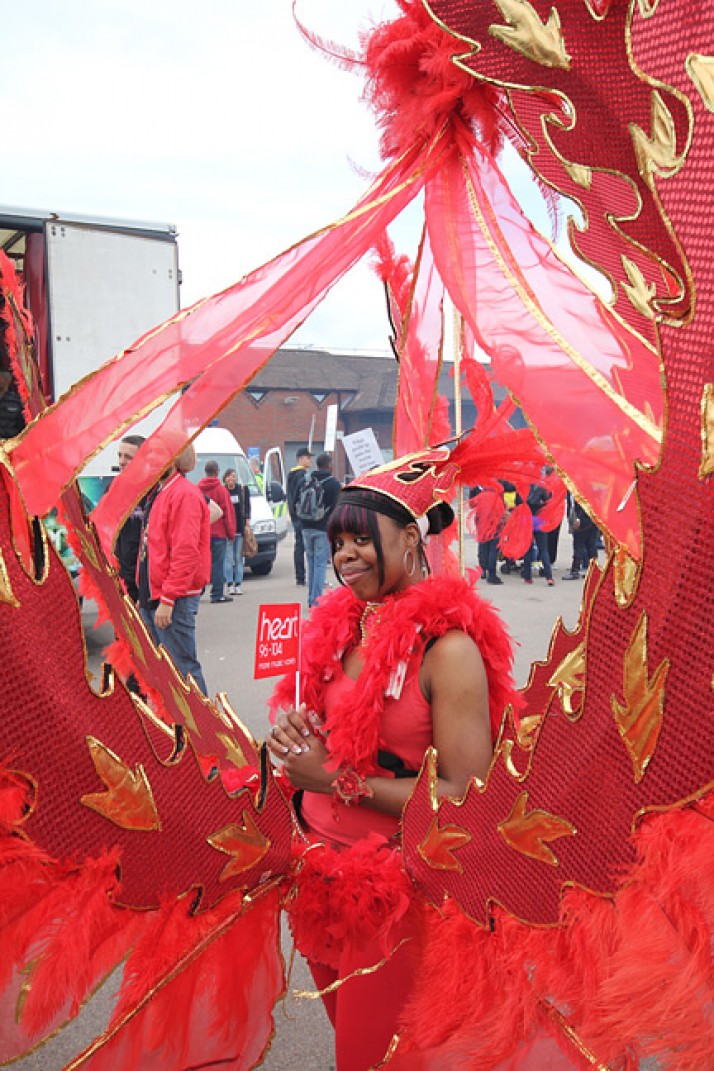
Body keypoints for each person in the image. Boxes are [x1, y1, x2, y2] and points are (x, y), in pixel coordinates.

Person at [267, 450, 522, 1071]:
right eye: (337, 543)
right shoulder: (343, 627)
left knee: (372, 1057)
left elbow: (466, 793)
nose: (345, 556)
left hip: (396, 892)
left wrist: (333, 779)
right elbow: (330, 730)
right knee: (346, 1035)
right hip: (317, 875)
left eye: (362, 539)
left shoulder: (449, 649)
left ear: (411, 538)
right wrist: (297, 730)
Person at [139, 443, 211, 694]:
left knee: (183, 671)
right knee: (168, 672)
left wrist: (168, 599)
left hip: (173, 598)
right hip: (159, 595)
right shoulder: (163, 492)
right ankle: (180, 729)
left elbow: (185, 551)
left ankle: (202, 731)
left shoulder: (183, 494)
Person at [300, 451, 341, 608]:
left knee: (311, 564)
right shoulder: (333, 484)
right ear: (329, 465)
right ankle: (316, 602)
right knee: (320, 565)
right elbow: (336, 509)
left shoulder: (306, 479)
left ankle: (311, 598)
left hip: (306, 527)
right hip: (322, 528)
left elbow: (297, 500)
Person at [198, 459, 237, 603]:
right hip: (218, 533)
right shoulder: (221, 490)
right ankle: (217, 593)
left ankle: (198, 591)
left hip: (202, 533)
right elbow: (227, 513)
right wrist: (231, 533)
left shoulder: (198, 489)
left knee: (201, 563)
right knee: (217, 564)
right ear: (217, 472)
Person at [113, 434, 146, 603]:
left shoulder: (154, 488)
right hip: (122, 581)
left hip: (147, 584)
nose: (121, 461)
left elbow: (213, 511)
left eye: (128, 457)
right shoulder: (115, 488)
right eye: (120, 455)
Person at [286, 446, 313, 587]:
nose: (310, 460)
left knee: (299, 546)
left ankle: (300, 576)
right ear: (300, 459)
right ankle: (301, 576)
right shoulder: (301, 474)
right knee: (304, 546)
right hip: (302, 516)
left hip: (295, 515)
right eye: (308, 457)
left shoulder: (292, 474)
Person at [223, 467, 250, 595]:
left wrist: (247, 524)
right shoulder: (222, 491)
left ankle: (238, 583)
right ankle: (229, 583)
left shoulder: (243, 490)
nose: (231, 479)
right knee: (228, 558)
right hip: (227, 529)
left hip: (239, 528)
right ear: (225, 478)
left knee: (238, 557)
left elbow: (247, 508)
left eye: (233, 476)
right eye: (229, 476)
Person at [521, 481, 554, 586]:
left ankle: (527, 577)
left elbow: (518, 502)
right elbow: (548, 502)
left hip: (526, 520)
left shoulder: (523, 487)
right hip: (539, 520)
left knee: (527, 549)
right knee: (543, 549)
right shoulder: (542, 487)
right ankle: (549, 577)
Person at [563, 496, 600, 579]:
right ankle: (591, 570)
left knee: (582, 545)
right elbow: (571, 505)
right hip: (581, 520)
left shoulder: (580, 487)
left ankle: (576, 570)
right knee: (588, 545)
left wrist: (579, 519)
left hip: (586, 521)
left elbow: (586, 502)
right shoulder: (571, 489)